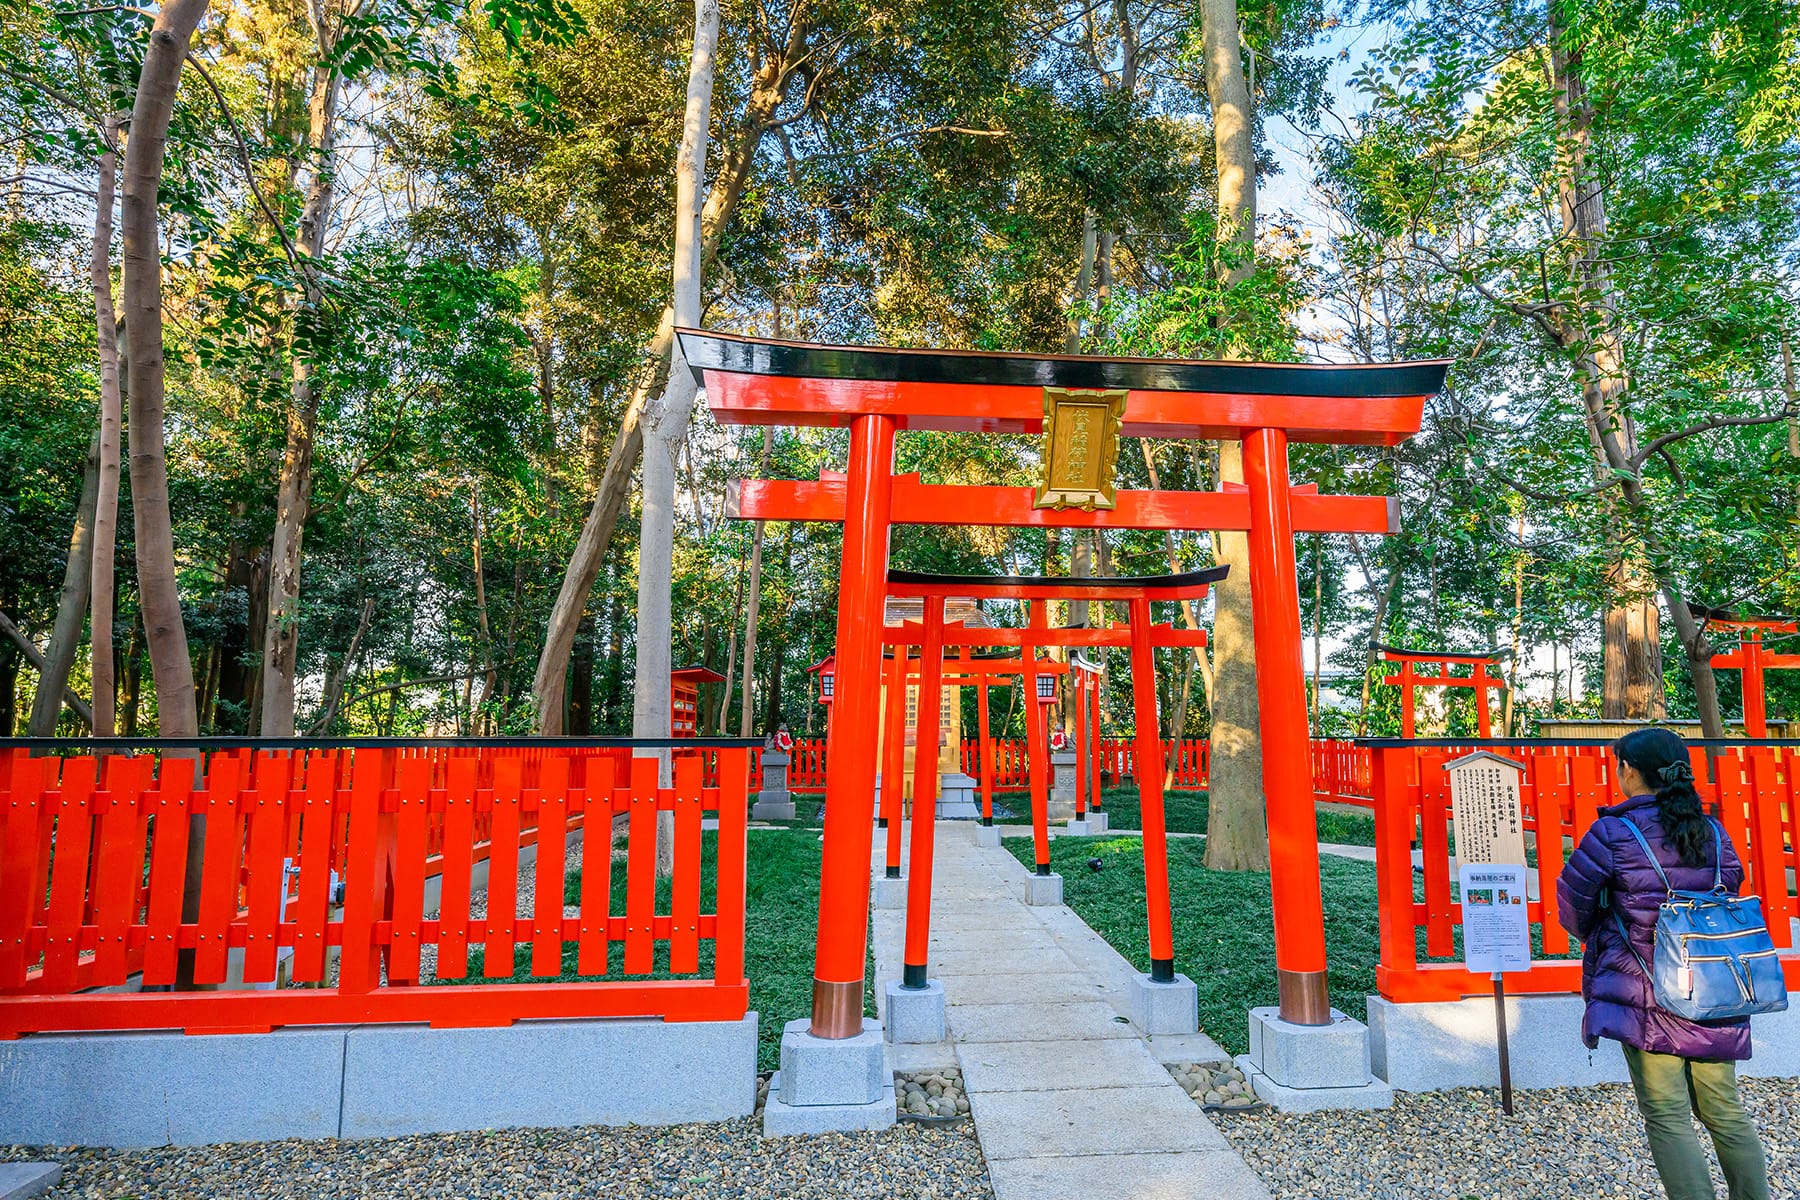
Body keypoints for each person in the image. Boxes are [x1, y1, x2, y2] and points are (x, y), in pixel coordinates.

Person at [1557, 728, 1771, 1200]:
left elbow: (1573, 905)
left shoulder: (1613, 832)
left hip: (1646, 990)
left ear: (1628, 771)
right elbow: (1728, 891)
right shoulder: (1711, 830)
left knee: (1667, 1113)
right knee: (1724, 1109)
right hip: (1714, 988)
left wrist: (1609, 930)